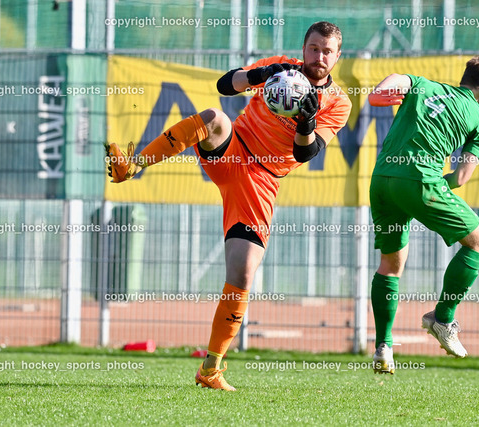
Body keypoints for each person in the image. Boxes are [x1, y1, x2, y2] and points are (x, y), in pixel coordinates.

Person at [106, 21, 352, 390]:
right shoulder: (281, 68)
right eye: (314, 48)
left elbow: (306, 151)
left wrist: (306, 119)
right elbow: (226, 85)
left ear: (337, 56)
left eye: (327, 51)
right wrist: (261, 73)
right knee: (214, 117)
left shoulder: (340, 102)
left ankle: (210, 369)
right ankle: (131, 166)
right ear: (304, 49)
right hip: (233, 150)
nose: (319, 57)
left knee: (242, 274)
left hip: (262, 181)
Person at [367, 57, 479, 374]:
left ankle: (383, 346)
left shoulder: (424, 85)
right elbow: (461, 178)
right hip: (420, 182)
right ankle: (443, 318)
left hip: (381, 181)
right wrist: (432, 187)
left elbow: (395, 80)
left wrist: (379, 94)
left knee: (390, 265)